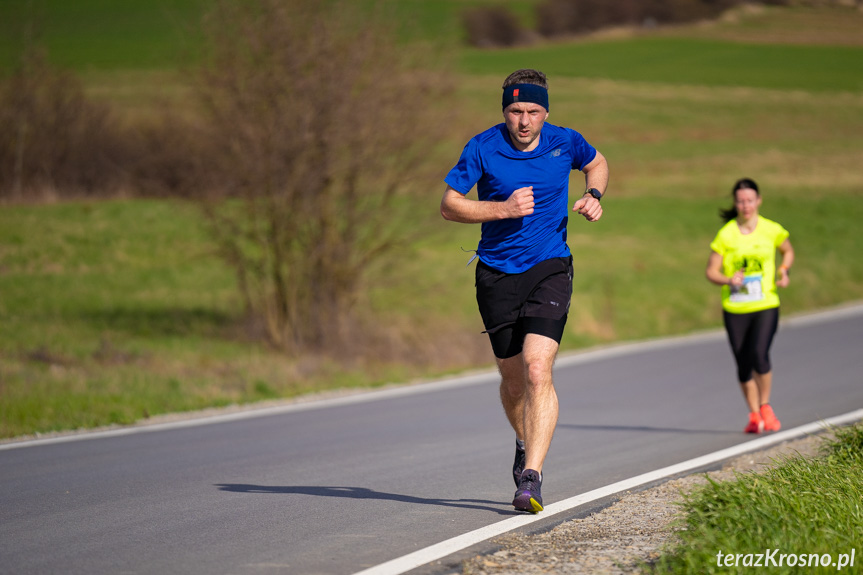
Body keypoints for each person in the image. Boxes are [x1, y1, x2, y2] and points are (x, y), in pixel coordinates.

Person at [440, 69, 609, 513]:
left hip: (550, 266)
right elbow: (450, 204)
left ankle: (531, 478)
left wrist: (594, 194)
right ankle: (523, 439)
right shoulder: (482, 147)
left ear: (545, 111)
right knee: (513, 380)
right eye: (516, 111)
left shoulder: (565, 141)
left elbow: (597, 162)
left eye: (533, 111)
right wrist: (502, 208)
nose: (524, 121)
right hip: (496, 273)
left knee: (538, 370)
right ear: (504, 112)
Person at [705, 178, 794, 434]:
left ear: (759, 201)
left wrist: (784, 269)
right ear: (735, 203)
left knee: (759, 353)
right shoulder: (726, 234)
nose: (745, 205)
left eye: (750, 200)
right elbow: (711, 271)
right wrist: (727, 279)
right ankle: (754, 415)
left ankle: (765, 405)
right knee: (743, 363)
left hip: (766, 303)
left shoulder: (771, 229)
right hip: (735, 307)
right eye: (741, 201)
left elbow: (787, 251)